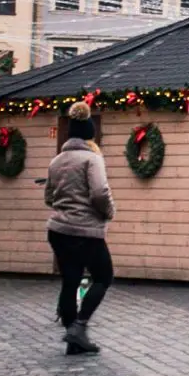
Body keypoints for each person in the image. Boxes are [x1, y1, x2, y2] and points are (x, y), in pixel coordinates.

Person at [45, 101, 115, 356]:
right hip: (85, 230)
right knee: (104, 276)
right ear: (89, 134)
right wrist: (108, 212)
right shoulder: (92, 159)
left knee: (70, 280)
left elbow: (49, 197)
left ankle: (74, 340)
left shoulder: (56, 161)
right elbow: (99, 192)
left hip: (58, 230)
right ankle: (79, 326)